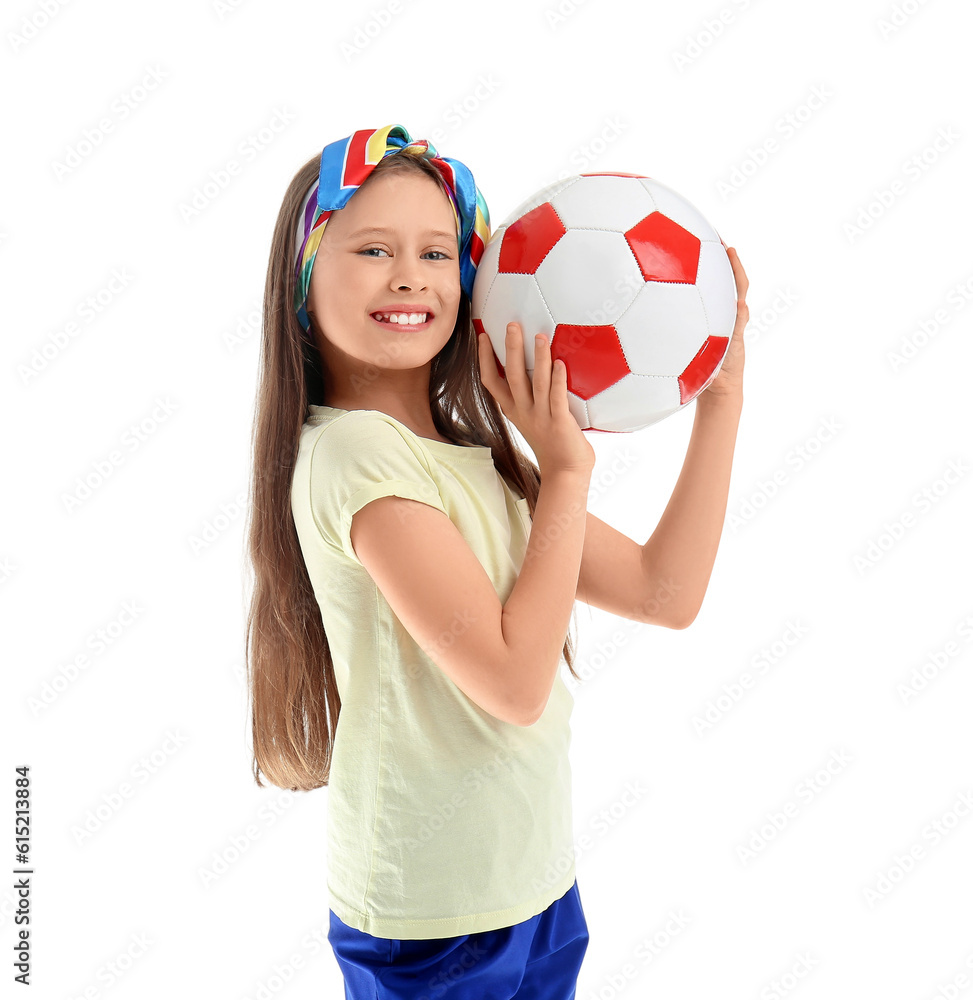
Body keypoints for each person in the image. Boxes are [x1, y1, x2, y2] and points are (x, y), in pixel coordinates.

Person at [245, 123, 749, 999]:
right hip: (431, 916)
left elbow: (664, 594)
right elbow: (515, 684)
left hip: (533, 882)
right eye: (371, 249)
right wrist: (565, 472)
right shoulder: (355, 454)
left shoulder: (477, 460)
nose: (410, 276)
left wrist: (721, 400)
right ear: (301, 282)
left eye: (437, 253)